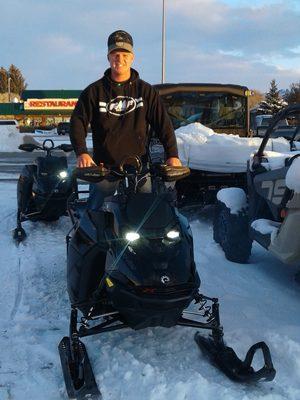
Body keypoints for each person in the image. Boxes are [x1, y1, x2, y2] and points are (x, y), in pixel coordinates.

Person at [70, 30, 181, 209]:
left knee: (144, 215)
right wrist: (82, 152)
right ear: (108, 57)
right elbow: (77, 122)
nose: (119, 59)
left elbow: (163, 125)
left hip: (139, 168)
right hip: (104, 168)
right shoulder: (94, 91)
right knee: (95, 213)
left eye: (124, 54)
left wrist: (173, 155)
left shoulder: (146, 92)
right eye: (115, 54)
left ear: (132, 58)